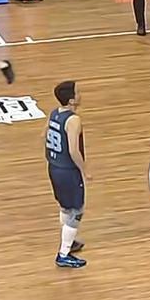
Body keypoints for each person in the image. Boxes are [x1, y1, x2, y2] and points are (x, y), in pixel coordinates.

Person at [46, 80, 89, 269]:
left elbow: (45, 134)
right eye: (77, 92)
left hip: (54, 166)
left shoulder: (54, 113)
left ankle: (69, 242)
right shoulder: (73, 120)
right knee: (77, 210)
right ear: (71, 100)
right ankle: (63, 254)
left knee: (65, 207)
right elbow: (73, 150)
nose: (80, 95)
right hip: (67, 170)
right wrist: (84, 170)